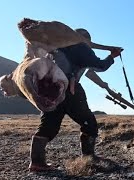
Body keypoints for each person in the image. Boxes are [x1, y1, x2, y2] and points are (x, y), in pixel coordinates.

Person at [28, 28, 123, 172]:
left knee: (48, 125)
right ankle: (88, 156)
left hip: (50, 89)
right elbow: (100, 66)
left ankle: (36, 162)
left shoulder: (56, 48)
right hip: (70, 90)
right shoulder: (81, 47)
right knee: (89, 123)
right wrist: (112, 56)